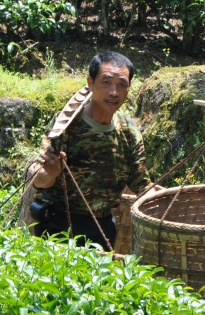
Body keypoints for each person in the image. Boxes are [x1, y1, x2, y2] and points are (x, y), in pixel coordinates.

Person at [29, 51, 153, 249]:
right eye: (106, 82)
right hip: (58, 223)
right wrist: (48, 174)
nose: (114, 92)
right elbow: (41, 181)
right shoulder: (66, 124)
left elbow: (142, 185)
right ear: (90, 82)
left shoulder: (129, 132)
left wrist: (172, 200)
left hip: (102, 226)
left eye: (122, 85)